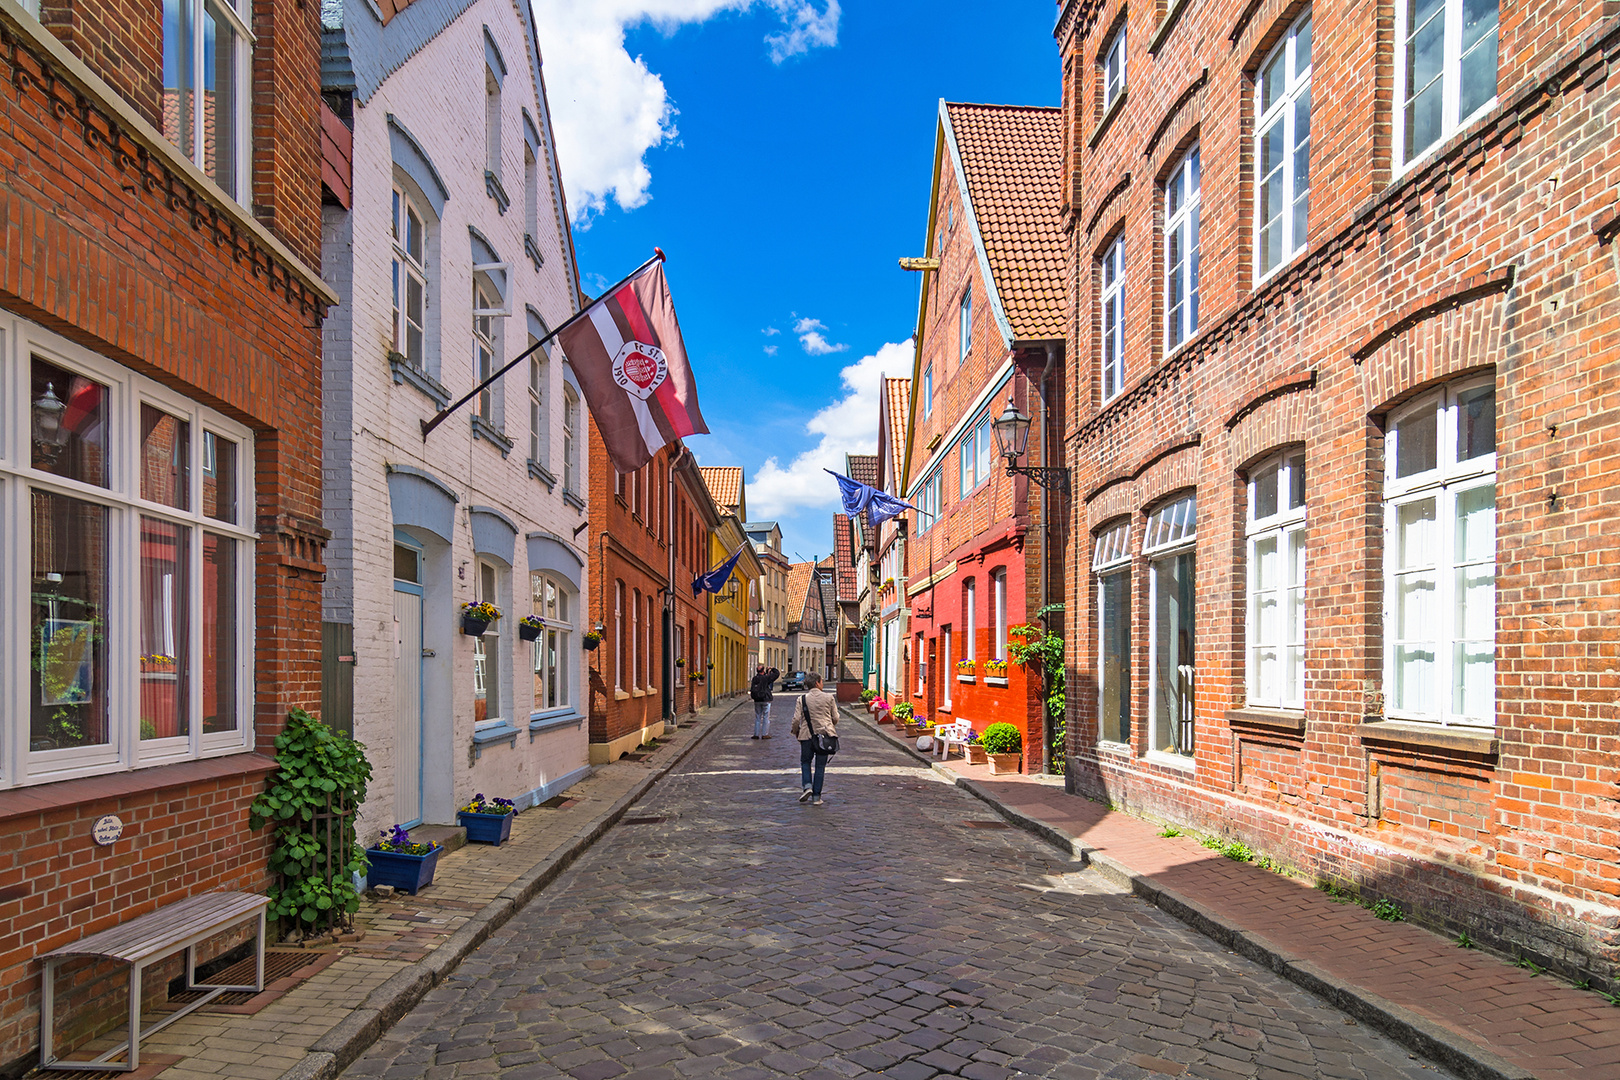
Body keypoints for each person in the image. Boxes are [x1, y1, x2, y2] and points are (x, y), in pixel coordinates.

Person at [791, 672, 838, 805]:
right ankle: (817, 797)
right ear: (817, 683)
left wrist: (796, 732)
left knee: (805, 762)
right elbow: (835, 717)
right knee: (820, 766)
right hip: (824, 736)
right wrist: (829, 725)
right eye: (822, 681)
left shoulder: (802, 699)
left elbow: (796, 720)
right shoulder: (829, 698)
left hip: (806, 736)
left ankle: (807, 786)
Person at [749, 663, 780, 739]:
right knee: (766, 717)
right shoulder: (766, 678)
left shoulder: (754, 678)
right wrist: (772, 668)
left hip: (757, 700)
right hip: (765, 699)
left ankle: (756, 734)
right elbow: (776, 674)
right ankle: (764, 734)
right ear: (763, 671)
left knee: (757, 717)